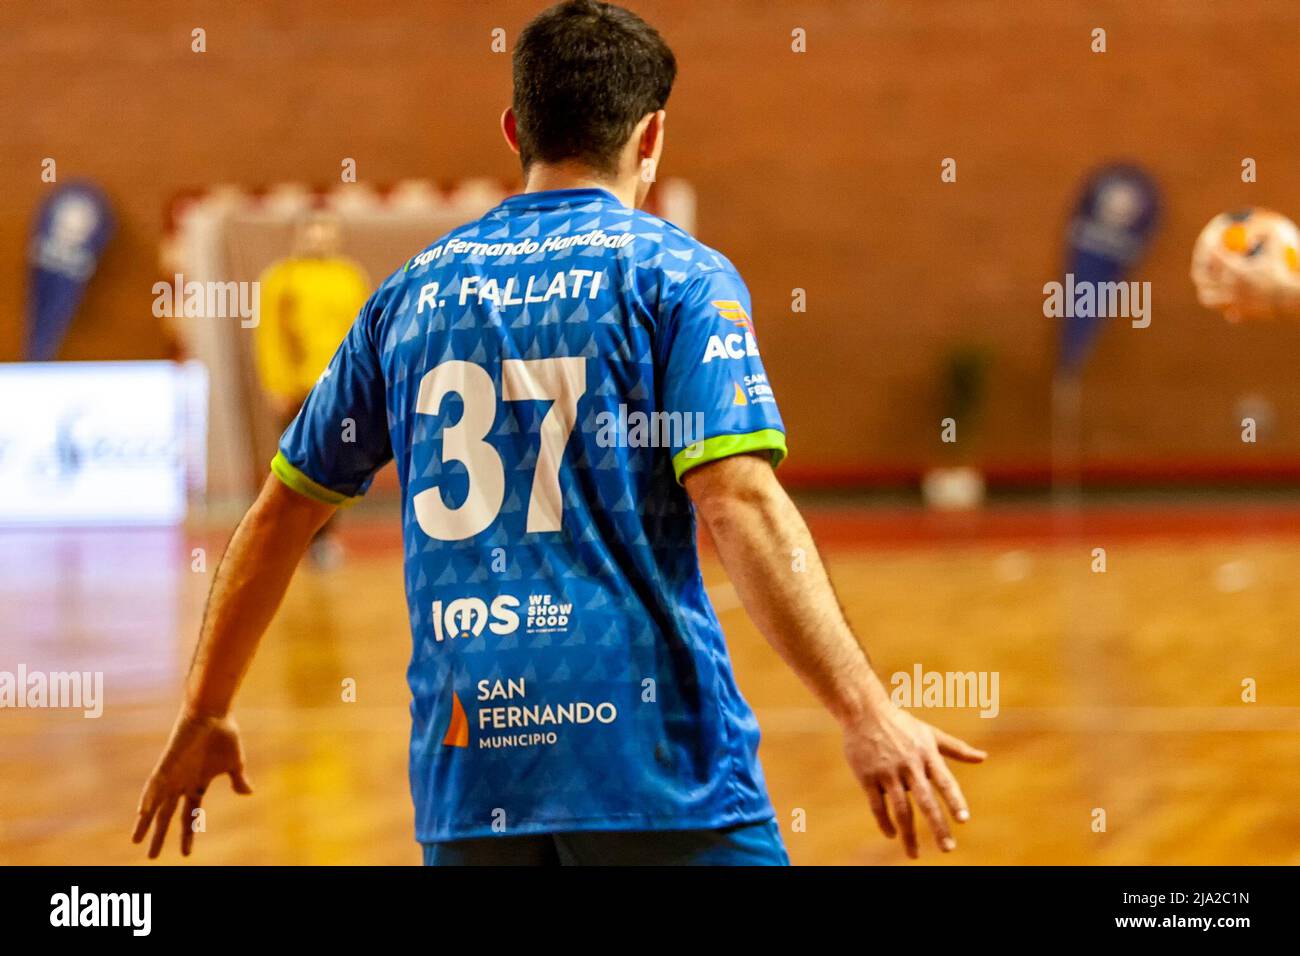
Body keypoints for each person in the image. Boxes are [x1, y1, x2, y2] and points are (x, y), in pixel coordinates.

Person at [133, 0, 985, 866]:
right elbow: (738, 501)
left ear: (514, 129)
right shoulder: (676, 276)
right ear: (651, 137)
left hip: (472, 781)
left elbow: (281, 512)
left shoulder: (405, 296)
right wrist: (865, 711)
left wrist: (205, 709)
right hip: (658, 776)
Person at [254, 211, 370, 567]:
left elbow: (363, 333)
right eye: (312, 233)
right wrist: (276, 385)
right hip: (299, 391)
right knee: (294, 470)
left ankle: (325, 539)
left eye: (326, 233)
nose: (319, 239)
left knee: (336, 468)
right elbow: (270, 337)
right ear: (299, 236)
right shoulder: (281, 279)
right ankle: (285, 540)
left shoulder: (350, 277)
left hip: (341, 388)